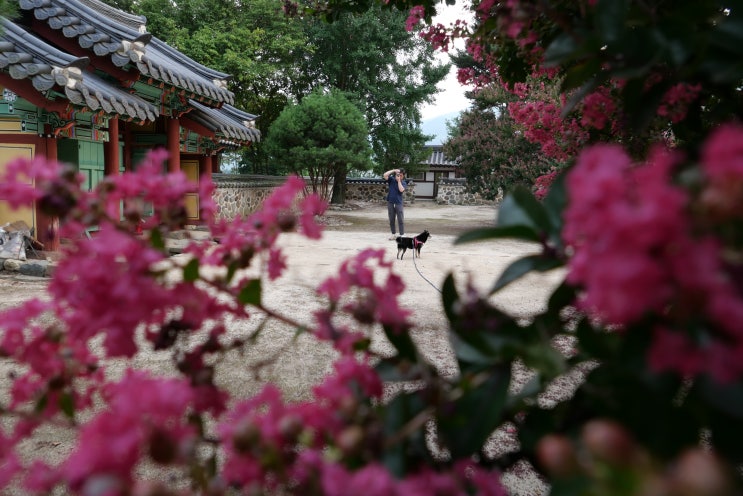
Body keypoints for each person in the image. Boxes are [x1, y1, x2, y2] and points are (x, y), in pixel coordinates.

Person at [383, 168, 407, 240]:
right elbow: (385, 175)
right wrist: (394, 170)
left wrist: (399, 181)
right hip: (390, 202)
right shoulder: (392, 180)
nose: (399, 176)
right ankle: (393, 234)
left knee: (400, 219)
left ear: (403, 176)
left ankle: (402, 234)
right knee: (391, 219)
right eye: (398, 175)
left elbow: (401, 190)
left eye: (401, 175)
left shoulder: (403, 183)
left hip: (398, 203)